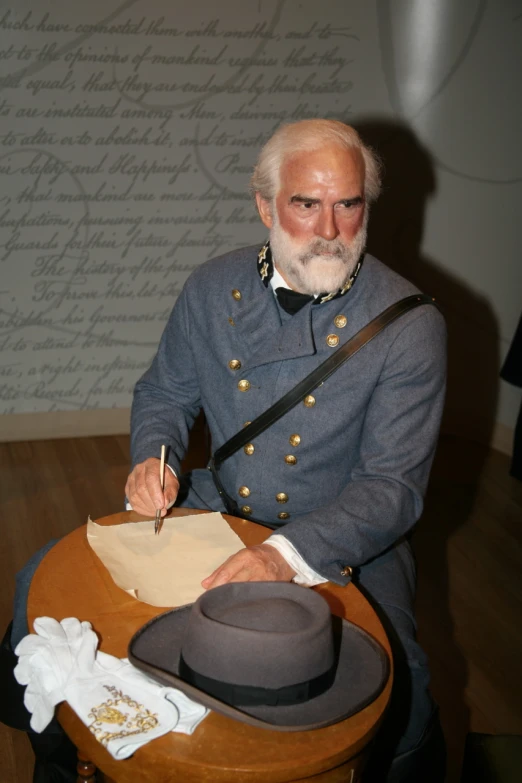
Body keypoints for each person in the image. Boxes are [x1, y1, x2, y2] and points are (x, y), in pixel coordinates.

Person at [125, 119, 447, 781]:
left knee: (402, 679)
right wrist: (151, 459)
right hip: (219, 502)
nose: (331, 226)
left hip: (344, 535)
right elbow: (165, 391)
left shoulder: (411, 324)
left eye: (348, 202)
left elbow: (392, 487)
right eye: (306, 203)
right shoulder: (211, 288)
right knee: (57, 590)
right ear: (266, 205)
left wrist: (282, 554)